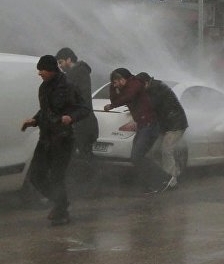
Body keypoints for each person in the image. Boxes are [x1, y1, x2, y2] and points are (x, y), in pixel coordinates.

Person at [21, 55, 90, 226]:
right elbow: (46, 110)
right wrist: (34, 120)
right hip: (45, 138)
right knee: (36, 176)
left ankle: (61, 212)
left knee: (56, 177)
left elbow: (84, 108)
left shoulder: (68, 86)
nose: (39, 73)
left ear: (51, 69)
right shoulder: (44, 87)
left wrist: (71, 117)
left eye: (42, 69)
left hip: (63, 139)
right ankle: (61, 203)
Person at [104, 68, 168, 194]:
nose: (116, 84)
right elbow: (115, 100)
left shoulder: (135, 84)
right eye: (114, 82)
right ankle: (156, 182)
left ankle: (163, 179)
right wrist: (113, 88)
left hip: (150, 125)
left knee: (137, 156)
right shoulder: (125, 87)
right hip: (143, 125)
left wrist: (112, 105)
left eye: (117, 81)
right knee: (136, 157)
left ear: (124, 78)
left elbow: (127, 97)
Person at [135, 73, 188, 191]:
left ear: (146, 83)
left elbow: (151, 106)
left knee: (166, 149)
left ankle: (172, 181)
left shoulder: (157, 89)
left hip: (175, 125)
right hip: (165, 126)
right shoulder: (151, 89)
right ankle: (167, 175)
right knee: (153, 152)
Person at [55, 48, 99, 160]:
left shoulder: (80, 72)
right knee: (77, 157)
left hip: (82, 124)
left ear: (69, 59)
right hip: (78, 123)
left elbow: (83, 99)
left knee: (82, 158)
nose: (60, 65)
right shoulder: (73, 74)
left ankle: (92, 176)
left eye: (61, 62)